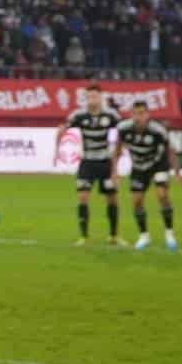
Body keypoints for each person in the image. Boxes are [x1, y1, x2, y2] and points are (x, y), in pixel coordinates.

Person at [56, 84, 121, 246]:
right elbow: (64, 128)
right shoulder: (79, 115)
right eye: (89, 97)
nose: (92, 100)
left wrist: (116, 162)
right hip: (87, 162)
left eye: (95, 96)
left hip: (105, 161)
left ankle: (113, 236)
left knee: (112, 198)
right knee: (83, 197)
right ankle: (84, 237)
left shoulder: (111, 115)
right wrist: (58, 145)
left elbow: (124, 133)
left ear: (101, 97)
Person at [118, 101, 180, 250]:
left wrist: (177, 171)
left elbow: (170, 150)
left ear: (147, 115)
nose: (138, 117)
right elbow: (117, 149)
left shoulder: (158, 130)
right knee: (137, 201)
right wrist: (114, 171)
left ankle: (169, 233)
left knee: (162, 195)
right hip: (139, 167)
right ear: (131, 114)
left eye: (141, 113)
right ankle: (144, 236)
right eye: (135, 113)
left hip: (158, 164)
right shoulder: (123, 129)